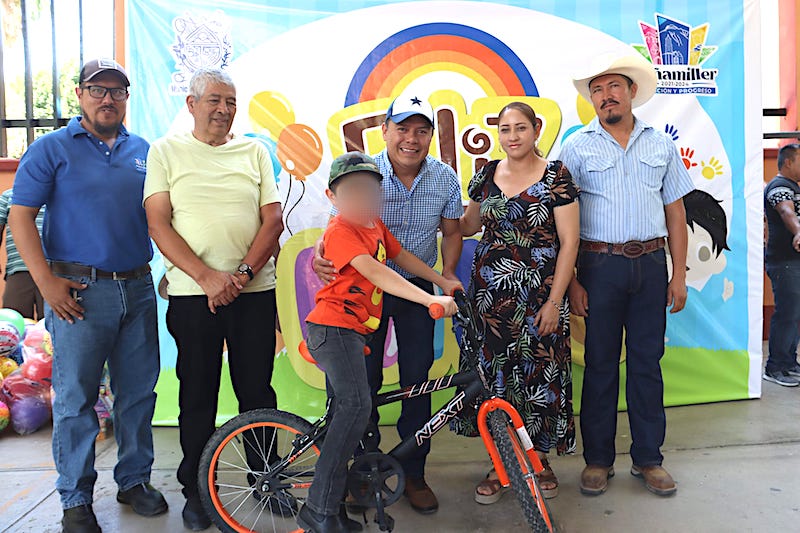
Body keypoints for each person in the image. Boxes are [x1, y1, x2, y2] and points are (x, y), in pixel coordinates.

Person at [9, 58, 167, 533]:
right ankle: (75, 498)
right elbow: (20, 216)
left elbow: (161, 218)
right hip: (78, 292)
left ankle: (134, 480)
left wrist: (170, 270)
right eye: (98, 90)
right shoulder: (51, 148)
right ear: (79, 94)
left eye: (117, 91)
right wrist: (46, 283)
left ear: (126, 98)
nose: (107, 99)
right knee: (75, 398)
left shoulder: (144, 151)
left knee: (137, 393)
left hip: (137, 288)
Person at [144, 68, 284, 531]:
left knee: (257, 392)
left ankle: (266, 477)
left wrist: (239, 276)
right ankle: (198, 490)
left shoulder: (254, 152)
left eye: (230, 101)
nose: (223, 110)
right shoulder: (165, 151)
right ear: (191, 104)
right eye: (213, 101)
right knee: (197, 394)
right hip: (191, 295)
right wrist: (207, 277)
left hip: (253, 291)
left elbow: (272, 220)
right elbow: (158, 223)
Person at [313, 94, 463, 513]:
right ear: (385, 131)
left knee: (419, 382)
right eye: (402, 128)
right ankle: (360, 473)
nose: (411, 139)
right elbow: (338, 229)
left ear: (431, 135)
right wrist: (322, 255)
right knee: (362, 386)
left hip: (417, 292)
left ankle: (412, 474)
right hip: (362, 296)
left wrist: (444, 278)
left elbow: (448, 234)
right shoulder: (365, 170)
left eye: (421, 130)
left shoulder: (445, 178)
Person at [560, 54, 694, 497]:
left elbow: (675, 212)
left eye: (613, 86)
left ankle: (648, 458)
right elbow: (562, 217)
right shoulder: (577, 146)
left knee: (646, 365)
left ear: (631, 91)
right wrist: (574, 280)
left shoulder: (661, 145)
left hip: (652, 267)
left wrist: (678, 275)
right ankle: (597, 459)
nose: (605, 96)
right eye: (597, 89)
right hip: (599, 268)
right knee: (599, 365)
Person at [454, 102, 580, 503]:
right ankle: (500, 462)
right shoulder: (486, 174)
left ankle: (539, 460)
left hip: (539, 296)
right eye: (505, 129)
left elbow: (570, 242)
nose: (512, 136)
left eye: (520, 128)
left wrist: (555, 301)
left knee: (539, 376)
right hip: (489, 299)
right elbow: (470, 225)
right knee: (495, 378)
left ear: (535, 129)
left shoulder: (556, 176)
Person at [763, 143, 800, 386]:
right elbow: (787, 212)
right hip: (784, 263)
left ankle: (789, 362)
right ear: (788, 162)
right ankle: (774, 366)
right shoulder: (779, 187)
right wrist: (798, 231)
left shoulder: (794, 187)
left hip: (793, 262)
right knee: (787, 313)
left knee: (794, 313)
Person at [0, 188, 45, 318]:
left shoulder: (59, 194)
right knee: (12, 320)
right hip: (19, 269)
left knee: (52, 322)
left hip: (54, 271)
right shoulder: (9, 196)